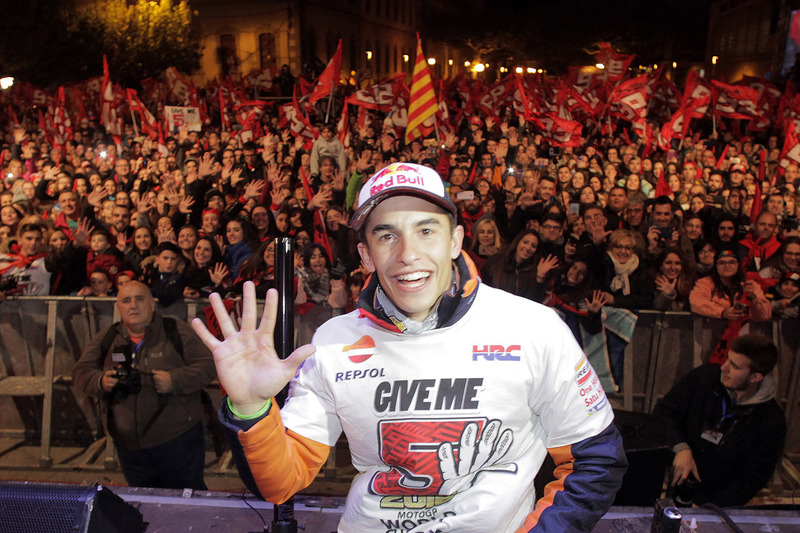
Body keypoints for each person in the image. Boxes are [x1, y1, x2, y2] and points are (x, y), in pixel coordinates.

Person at [193, 162, 626, 533]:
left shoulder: (532, 327)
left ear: (455, 240)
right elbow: (280, 482)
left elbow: (595, 461)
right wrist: (250, 407)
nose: (407, 254)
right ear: (365, 255)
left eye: (426, 230)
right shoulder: (332, 341)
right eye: (387, 236)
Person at [72, 281, 216, 489]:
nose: (133, 305)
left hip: (178, 443)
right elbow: (80, 372)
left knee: (187, 504)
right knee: (144, 504)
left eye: (140, 299)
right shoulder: (108, 337)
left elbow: (209, 365)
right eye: (126, 300)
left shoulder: (175, 331)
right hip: (129, 448)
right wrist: (100, 381)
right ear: (118, 307)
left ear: (152, 305)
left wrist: (174, 380)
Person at [653, 334, 786, 507]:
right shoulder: (704, 378)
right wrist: (681, 448)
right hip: (679, 484)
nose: (724, 368)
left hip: (719, 504)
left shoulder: (771, 421)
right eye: (727, 360)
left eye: (735, 366)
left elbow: (752, 479)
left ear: (755, 378)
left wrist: (709, 507)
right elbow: (664, 411)